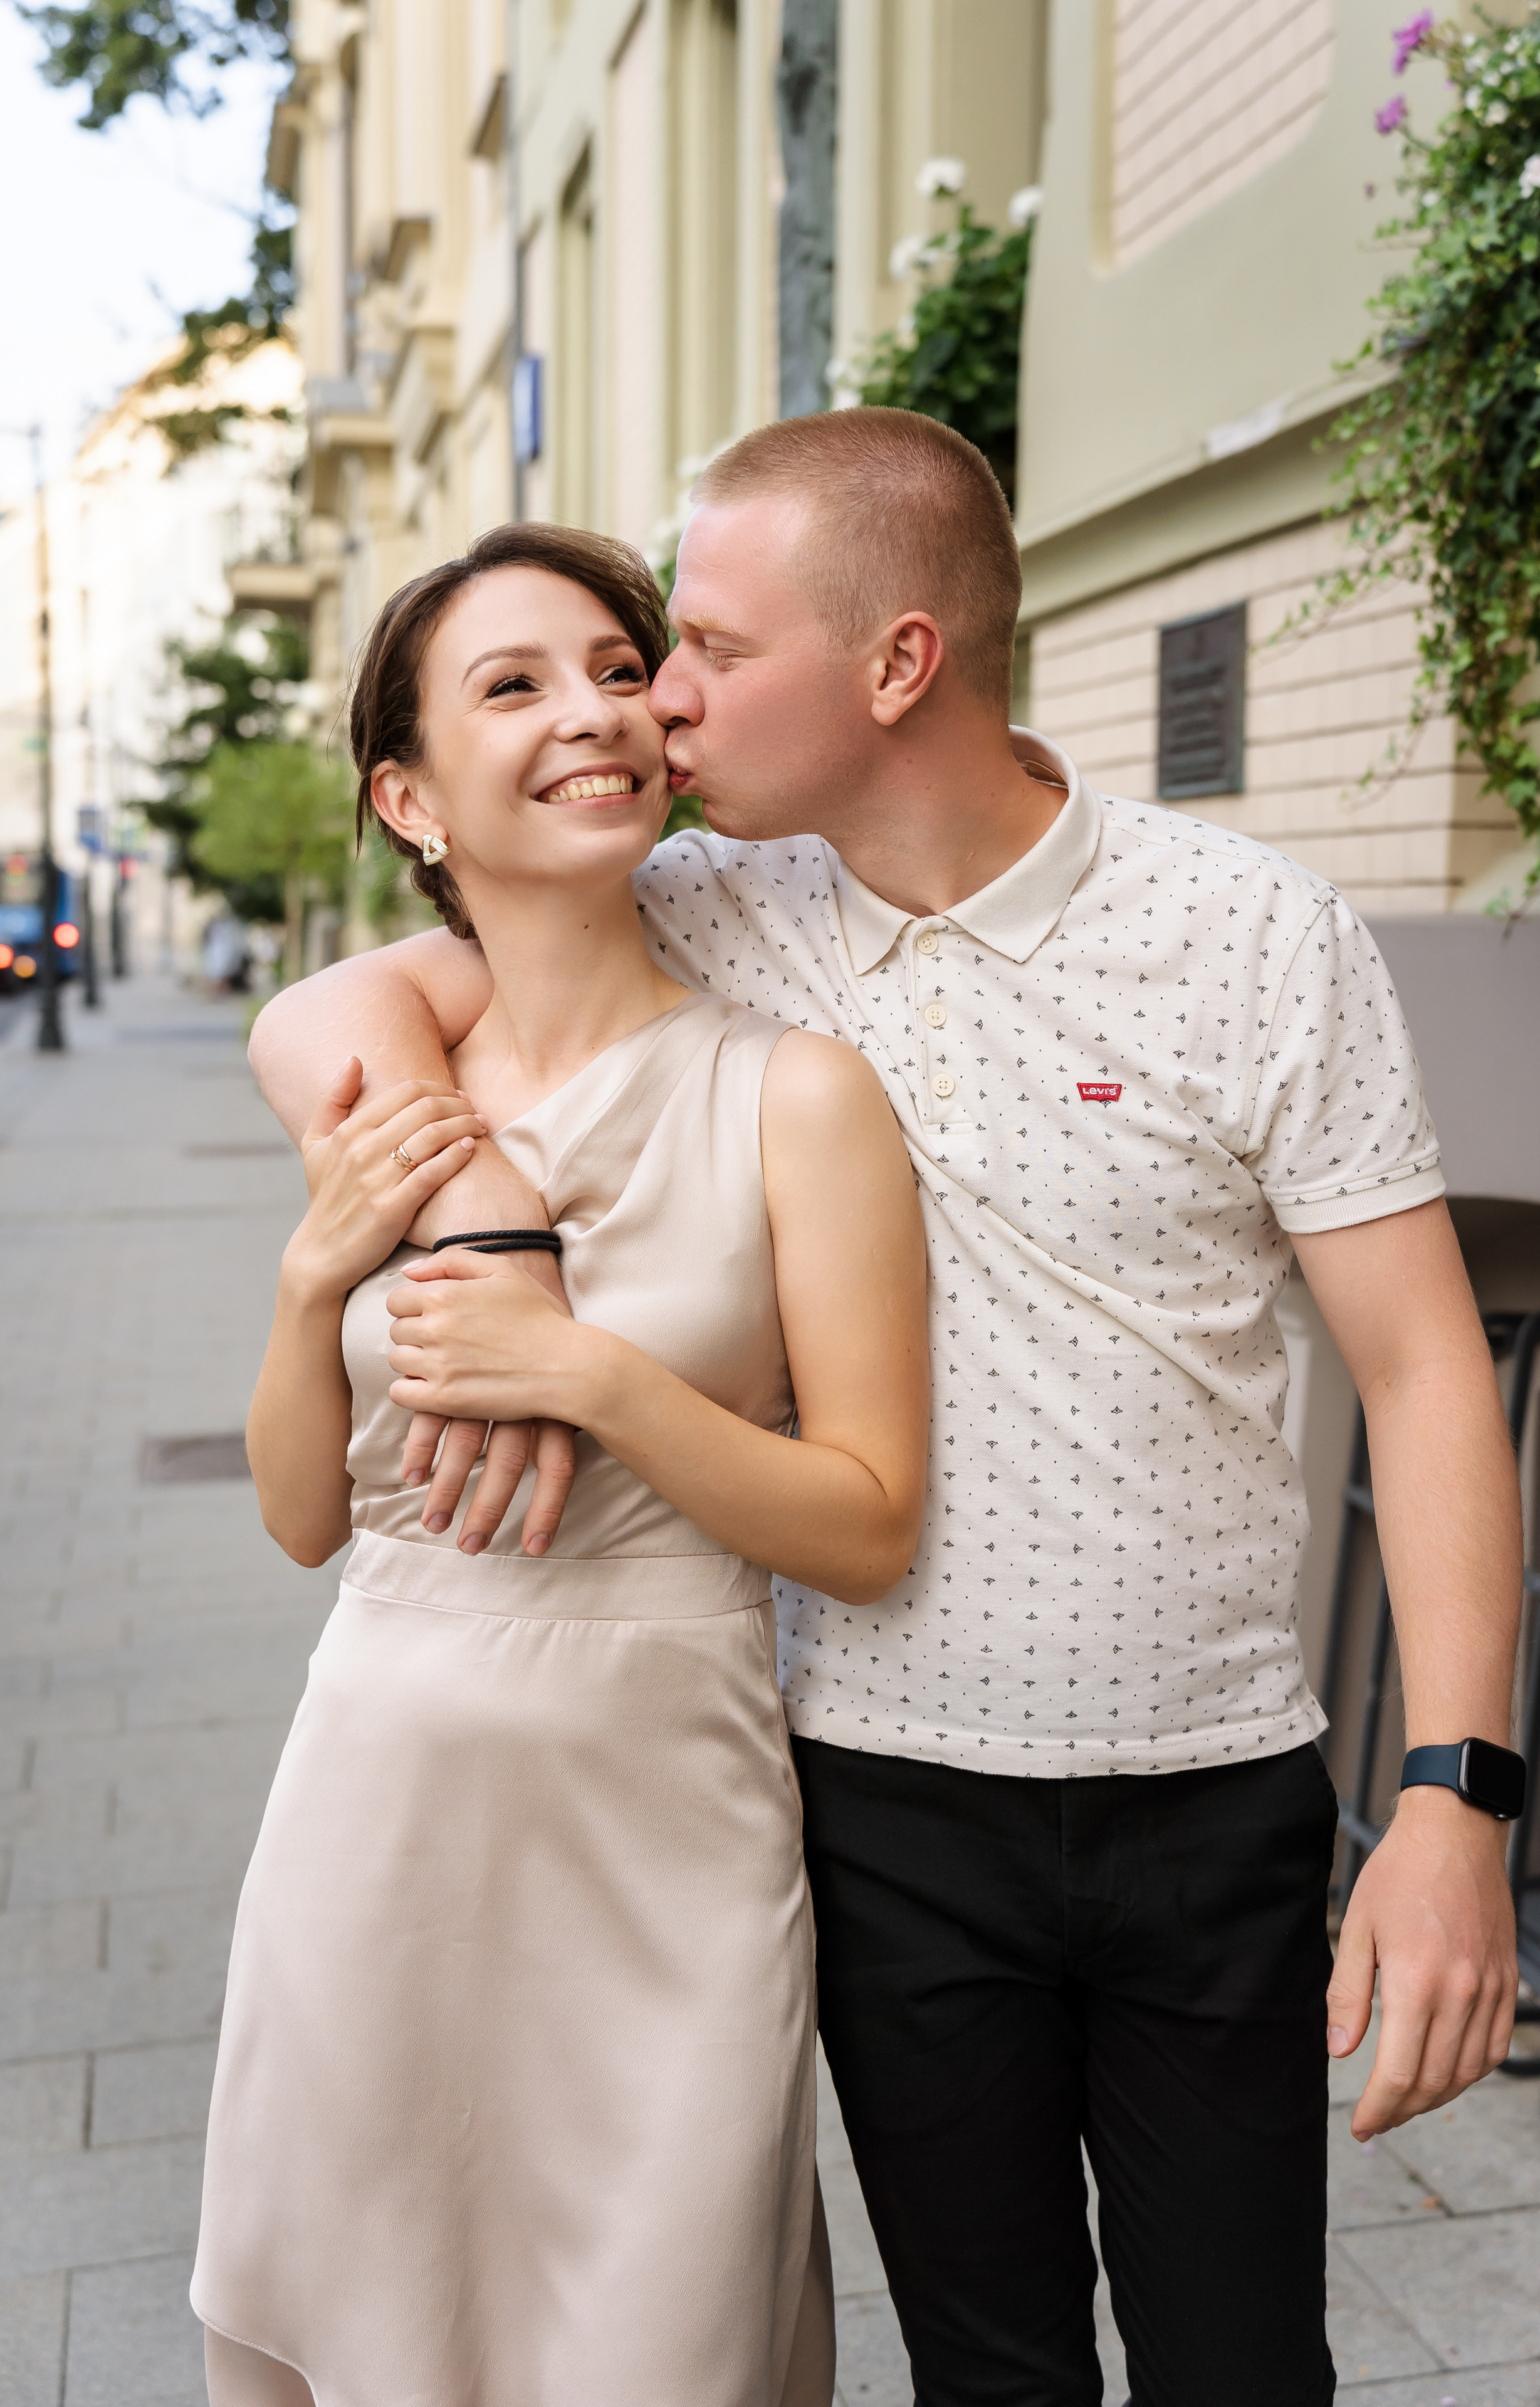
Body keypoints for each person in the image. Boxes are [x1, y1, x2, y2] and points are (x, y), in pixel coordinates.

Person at [250, 412, 1526, 2407]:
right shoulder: (709, 904)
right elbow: (348, 1004)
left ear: (898, 663)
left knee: (1246, 2370)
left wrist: (1454, 1799)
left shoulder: (1254, 933)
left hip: (1210, 1789)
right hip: (874, 1797)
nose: (658, 703)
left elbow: (1427, 1369)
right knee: (985, 2374)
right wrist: (488, 1211)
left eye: (704, 650)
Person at [191, 522, 930, 2407]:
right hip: (376, 1812)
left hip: (667, 1816)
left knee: (660, 2332)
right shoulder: (392, 1107)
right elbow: (306, 1521)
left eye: (616, 670)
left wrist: (588, 1373)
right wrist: (307, 1288)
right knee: (379, 2324)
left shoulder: (793, 1090)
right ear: (410, 799)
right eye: (511, 686)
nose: (589, 712)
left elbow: (867, 1525)